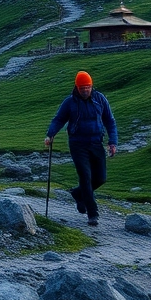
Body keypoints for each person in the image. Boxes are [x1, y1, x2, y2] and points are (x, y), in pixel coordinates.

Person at [43, 71, 118, 227]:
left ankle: (78, 193)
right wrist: (50, 135)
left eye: (88, 87)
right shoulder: (70, 102)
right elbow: (58, 120)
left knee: (100, 178)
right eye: (82, 88)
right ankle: (93, 214)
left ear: (91, 86)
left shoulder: (100, 99)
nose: (85, 90)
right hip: (78, 144)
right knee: (85, 176)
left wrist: (113, 142)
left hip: (96, 143)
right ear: (76, 87)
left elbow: (110, 121)